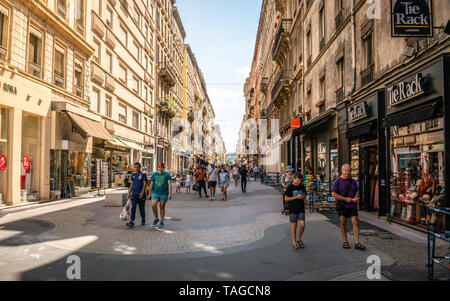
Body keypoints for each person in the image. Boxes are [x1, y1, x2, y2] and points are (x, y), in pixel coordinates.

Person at [331, 164, 366, 250]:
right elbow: (333, 194)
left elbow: (357, 191)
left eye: (349, 171)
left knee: (355, 221)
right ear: (342, 171)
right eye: (345, 170)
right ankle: (345, 241)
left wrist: (356, 198)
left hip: (352, 205)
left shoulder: (353, 181)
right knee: (343, 222)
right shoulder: (337, 181)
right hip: (342, 205)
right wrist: (345, 199)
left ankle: (357, 243)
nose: (347, 172)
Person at [284, 173, 307, 250]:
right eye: (297, 180)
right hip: (293, 208)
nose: (298, 182)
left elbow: (304, 196)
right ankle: (294, 242)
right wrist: (296, 197)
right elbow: (286, 199)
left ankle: (299, 239)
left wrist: (302, 197)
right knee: (294, 225)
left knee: (303, 224)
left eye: (300, 181)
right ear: (294, 179)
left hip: (301, 208)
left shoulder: (302, 186)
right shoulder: (290, 187)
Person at [149, 162, 172, 228]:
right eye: (159, 167)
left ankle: (161, 220)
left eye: (161, 167)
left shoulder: (167, 175)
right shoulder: (154, 174)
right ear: (157, 168)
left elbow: (170, 184)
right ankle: (156, 218)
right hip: (155, 193)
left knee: (162, 207)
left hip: (164, 193)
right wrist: (150, 193)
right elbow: (151, 184)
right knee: (153, 205)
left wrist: (170, 194)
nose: (160, 168)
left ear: (163, 168)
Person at [126, 162, 148, 228]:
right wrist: (129, 192)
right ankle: (132, 221)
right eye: (135, 167)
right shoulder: (133, 175)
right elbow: (132, 184)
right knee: (133, 208)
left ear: (140, 167)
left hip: (141, 194)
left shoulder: (143, 174)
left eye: (137, 167)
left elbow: (144, 184)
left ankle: (143, 219)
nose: (136, 168)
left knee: (141, 208)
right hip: (134, 194)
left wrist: (142, 192)